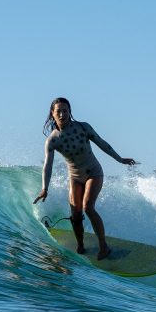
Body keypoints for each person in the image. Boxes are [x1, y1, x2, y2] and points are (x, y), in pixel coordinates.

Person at [32, 97, 136, 260]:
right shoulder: (52, 140)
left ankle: (104, 247)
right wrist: (45, 188)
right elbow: (48, 165)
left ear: (70, 112)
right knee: (75, 213)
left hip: (94, 173)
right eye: (58, 111)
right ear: (52, 113)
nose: (62, 114)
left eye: (65, 111)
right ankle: (80, 244)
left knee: (88, 207)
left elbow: (102, 143)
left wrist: (119, 159)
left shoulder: (82, 127)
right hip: (75, 177)